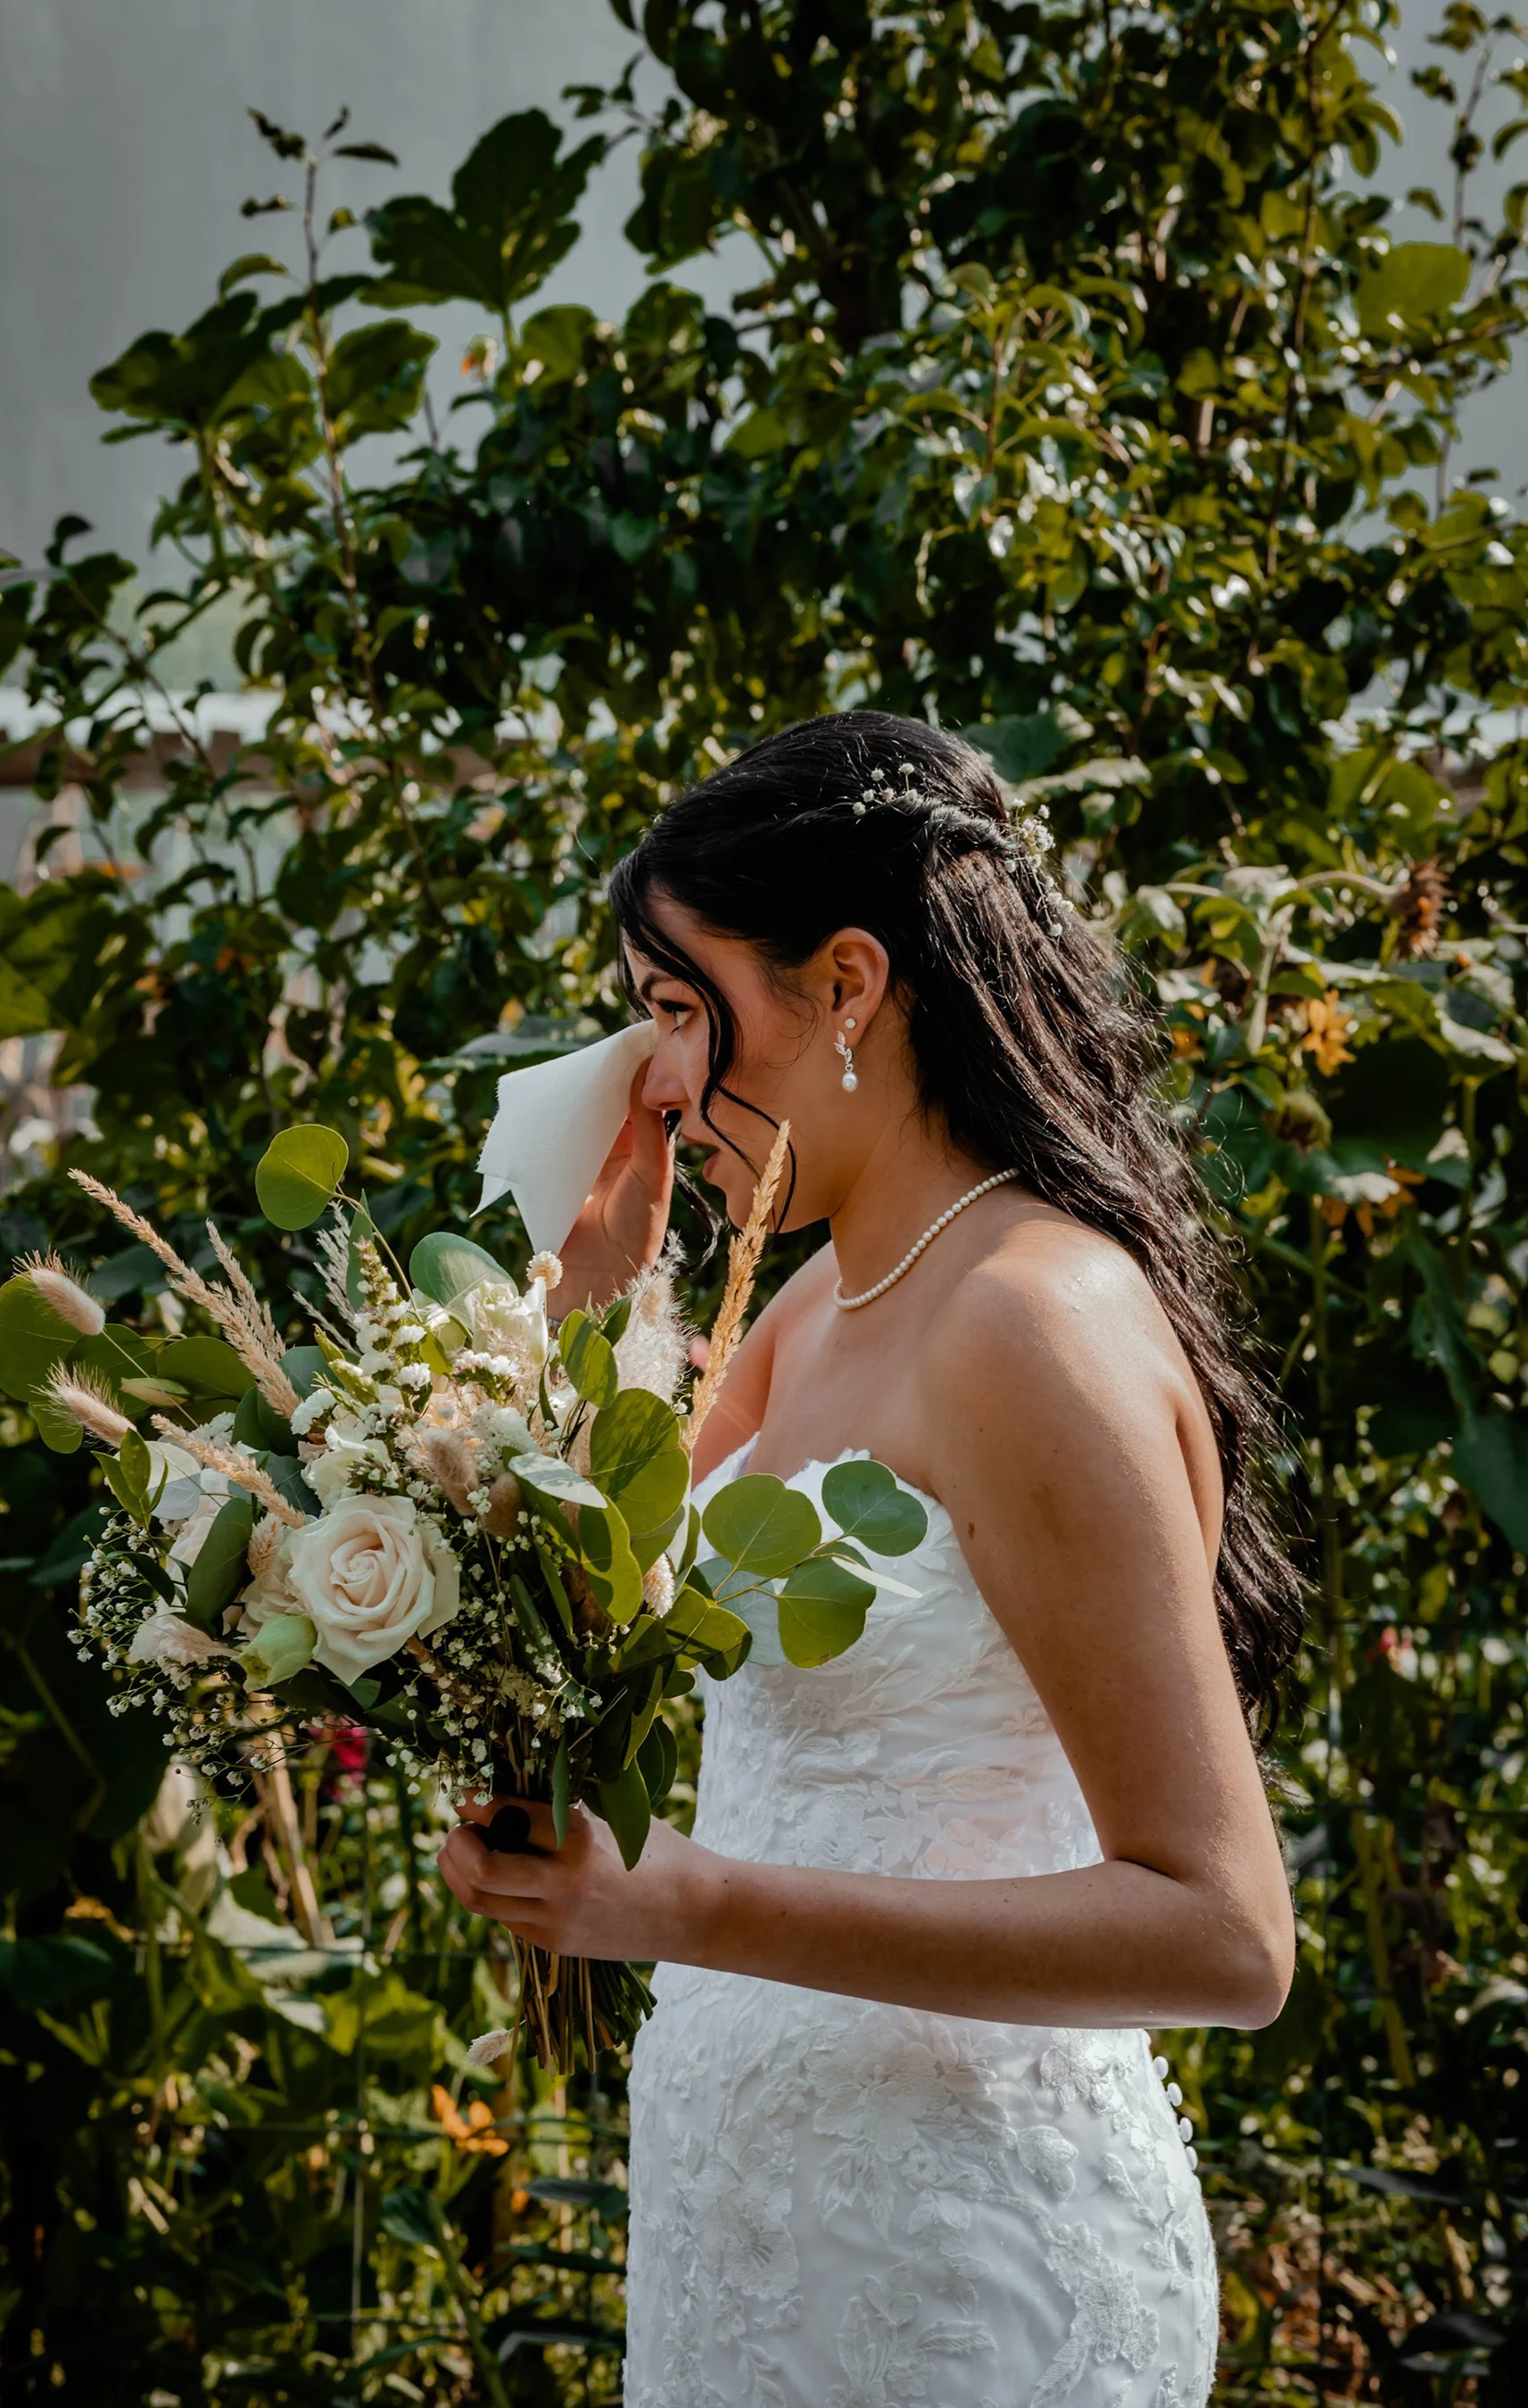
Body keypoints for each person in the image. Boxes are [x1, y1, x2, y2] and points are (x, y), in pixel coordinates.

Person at [437, 709, 1301, 2408]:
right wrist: (601, 1268)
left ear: (846, 984)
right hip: (748, 2235)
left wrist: (685, 1906)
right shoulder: (818, 1302)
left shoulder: (1032, 1326)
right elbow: (580, 1610)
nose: (662, 1080)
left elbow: (1226, 1934)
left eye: (684, 1013)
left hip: (964, 2265)